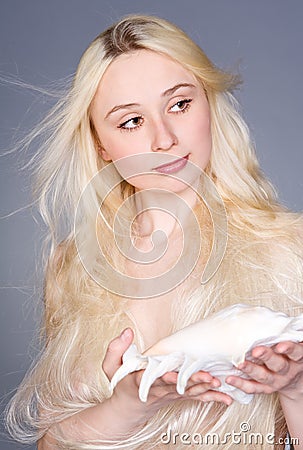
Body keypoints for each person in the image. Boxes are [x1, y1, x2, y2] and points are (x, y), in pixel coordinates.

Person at [5, 14, 303, 450]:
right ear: (101, 145)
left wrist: (295, 390)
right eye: (131, 121)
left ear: (209, 105)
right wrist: (129, 405)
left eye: (179, 104)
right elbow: (52, 445)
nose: (163, 138)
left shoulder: (290, 250)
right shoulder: (74, 266)